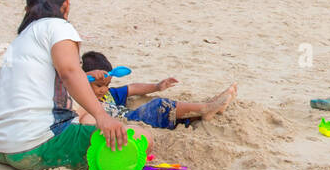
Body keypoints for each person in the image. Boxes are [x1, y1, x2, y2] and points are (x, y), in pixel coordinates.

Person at [0, 0, 137, 170]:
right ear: (66, 4)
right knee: (140, 139)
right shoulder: (58, 27)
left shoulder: (20, 40)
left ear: (27, 9)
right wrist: (102, 116)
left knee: (81, 113)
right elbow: (69, 72)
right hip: (34, 146)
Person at [78, 51, 236, 129]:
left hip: (134, 116)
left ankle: (208, 107)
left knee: (176, 115)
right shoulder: (82, 103)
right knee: (159, 106)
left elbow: (133, 88)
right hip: (132, 121)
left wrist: (156, 87)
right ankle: (207, 108)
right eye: (99, 86)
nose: (104, 90)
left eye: (107, 84)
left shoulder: (110, 95)